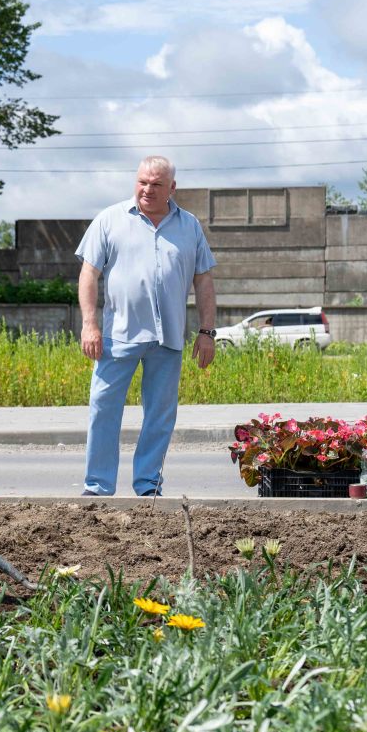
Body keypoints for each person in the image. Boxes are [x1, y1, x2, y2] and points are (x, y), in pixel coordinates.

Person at [75, 156, 217, 497]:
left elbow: (204, 280)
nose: (147, 189)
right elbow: (88, 275)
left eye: (155, 184)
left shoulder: (189, 226)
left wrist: (207, 332)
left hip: (168, 337)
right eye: (142, 181)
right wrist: (90, 324)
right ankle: (97, 487)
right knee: (103, 409)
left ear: (172, 188)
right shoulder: (110, 219)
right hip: (117, 335)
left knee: (160, 415)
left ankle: (149, 485)